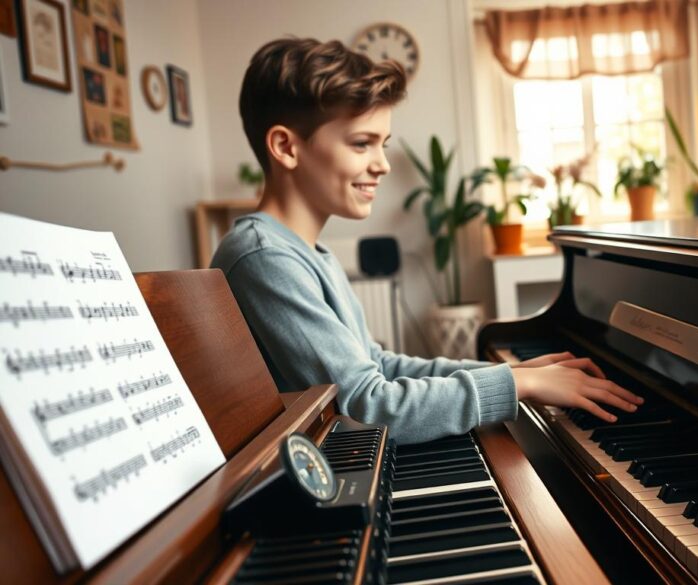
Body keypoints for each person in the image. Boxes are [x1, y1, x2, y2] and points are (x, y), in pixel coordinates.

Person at [212, 37, 642, 444]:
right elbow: (366, 406)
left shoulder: (305, 253)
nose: (381, 165)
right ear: (286, 147)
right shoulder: (264, 257)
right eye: (362, 144)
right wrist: (518, 383)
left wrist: (512, 372)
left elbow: (376, 366)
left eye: (383, 144)